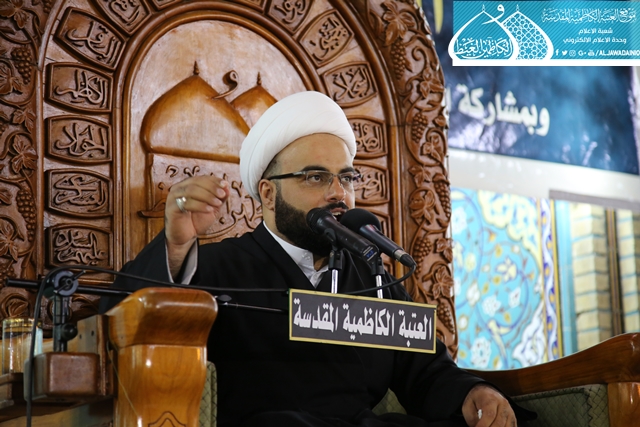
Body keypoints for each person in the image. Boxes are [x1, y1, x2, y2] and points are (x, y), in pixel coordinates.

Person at [101, 91, 533, 427]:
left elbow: (425, 370)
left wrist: (473, 393)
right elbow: (119, 320)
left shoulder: (371, 277)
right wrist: (176, 246)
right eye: (315, 177)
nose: (337, 193)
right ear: (268, 194)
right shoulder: (219, 266)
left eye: (346, 177)